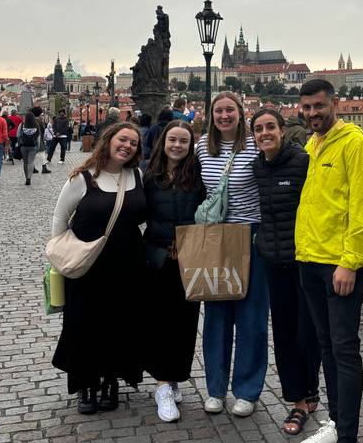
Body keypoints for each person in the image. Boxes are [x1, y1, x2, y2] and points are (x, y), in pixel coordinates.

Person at [294, 79, 363, 443]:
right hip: (309, 260)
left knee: (345, 351)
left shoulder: (354, 144)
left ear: (335, 104)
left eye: (319, 106)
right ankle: (334, 422)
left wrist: (351, 262)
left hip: (339, 265)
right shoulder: (313, 145)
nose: (312, 113)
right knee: (327, 346)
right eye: (307, 107)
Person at [51, 122, 146, 414]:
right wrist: (60, 258)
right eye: (122, 139)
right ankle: (86, 384)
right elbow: (59, 220)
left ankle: (110, 380)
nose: (127, 146)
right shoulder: (82, 178)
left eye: (133, 142)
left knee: (119, 323)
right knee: (83, 324)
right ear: (108, 140)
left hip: (127, 264)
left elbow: (143, 218)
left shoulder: (137, 175)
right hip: (87, 265)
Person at [195, 91, 268, 417]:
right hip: (217, 238)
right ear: (212, 116)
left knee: (251, 318)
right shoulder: (201, 147)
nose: (224, 116)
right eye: (218, 111)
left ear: (241, 113)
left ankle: (247, 390)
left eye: (230, 110)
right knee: (216, 317)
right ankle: (215, 389)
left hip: (251, 235)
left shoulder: (255, 145)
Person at [251, 107, 320, 435]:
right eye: (258, 129)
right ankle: (298, 400)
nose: (264, 133)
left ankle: (310, 392)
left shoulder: (303, 162)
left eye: (270, 127)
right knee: (282, 332)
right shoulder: (257, 166)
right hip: (272, 261)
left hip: (303, 259)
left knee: (306, 332)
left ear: (282, 130)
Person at [143, 120, 206, 422]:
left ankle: (175, 377)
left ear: (190, 145)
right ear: (163, 142)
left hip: (189, 258)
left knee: (185, 321)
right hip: (156, 256)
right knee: (157, 321)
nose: (177, 145)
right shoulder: (149, 175)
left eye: (183, 141)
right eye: (173, 140)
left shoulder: (197, 174)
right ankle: (161, 385)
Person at [18, 111, 41, 185]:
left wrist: (19, 143)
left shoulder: (22, 125)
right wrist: (38, 147)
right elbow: (38, 138)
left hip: (23, 146)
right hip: (33, 146)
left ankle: (26, 177)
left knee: (25, 162)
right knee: (31, 162)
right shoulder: (36, 125)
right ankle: (29, 178)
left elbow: (18, 135)